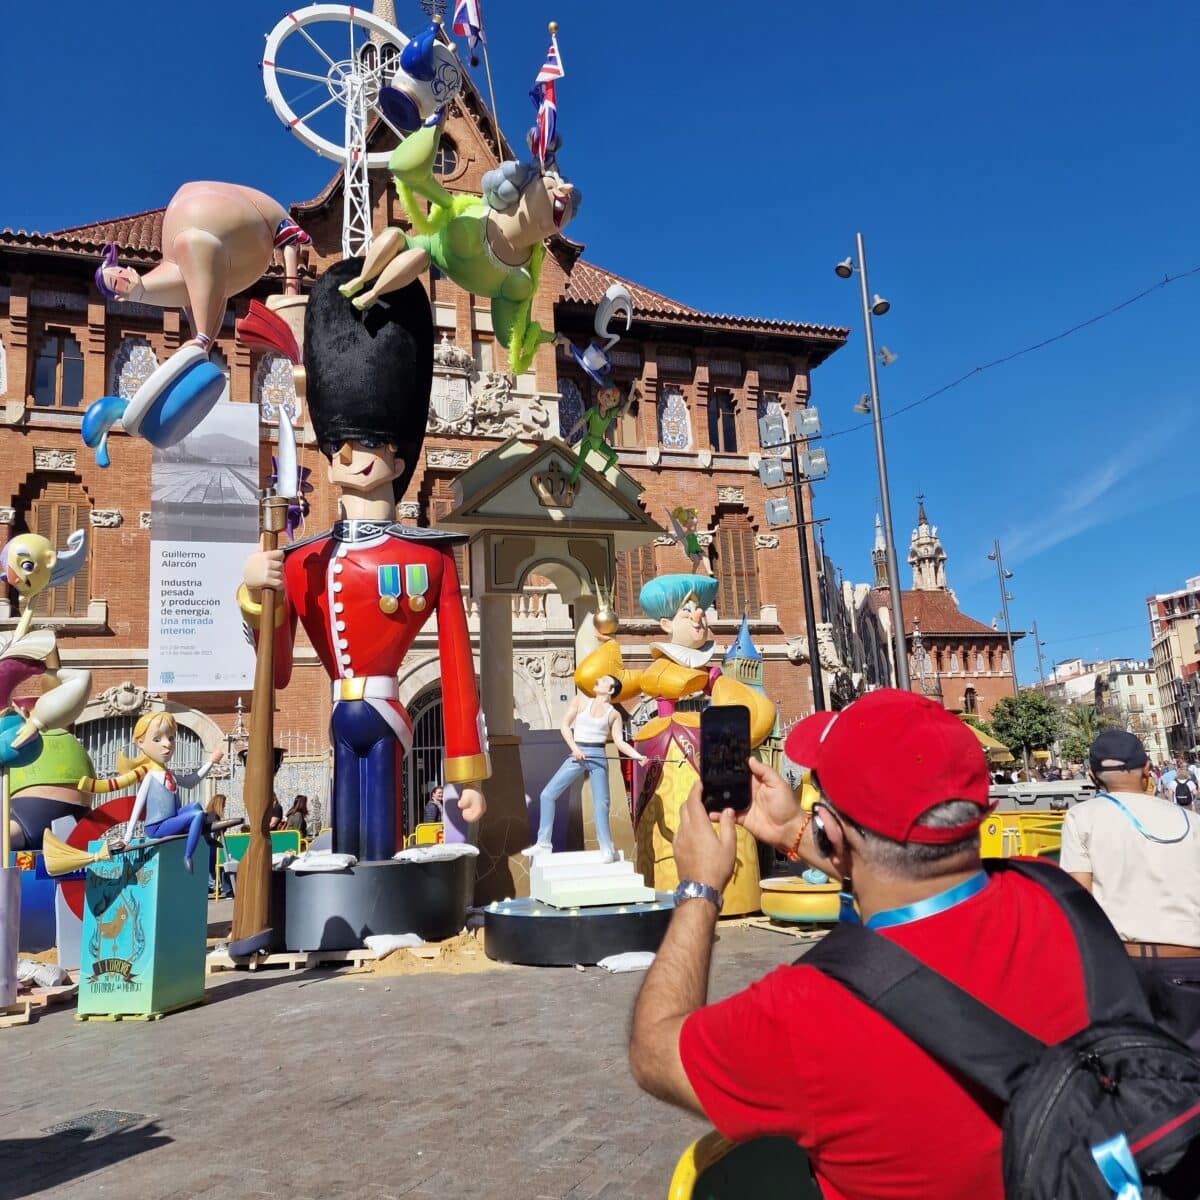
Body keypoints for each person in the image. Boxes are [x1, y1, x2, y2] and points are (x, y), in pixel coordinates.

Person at [628, 689, 1097, 1200]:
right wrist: (793, 831)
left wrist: (700, 889)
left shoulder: (808, 1012)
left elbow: (655, 1052)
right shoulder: (1059, 899)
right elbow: (919, 872)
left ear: (830, 822)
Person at [1059, 728, 1200, 1050]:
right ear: (1148, 769)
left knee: (1134, 1069)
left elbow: (1080, 898)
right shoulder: (1190, 820)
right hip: (1189, 961)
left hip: (1123, 964)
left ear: (1093, 775)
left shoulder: (1082, 817)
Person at [79, 713, 225, 874]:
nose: (167, 744)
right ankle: (188, 856)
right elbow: (138, 805)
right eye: (157, 740)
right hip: (157, 826)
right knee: (197, 814)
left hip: (172, 819)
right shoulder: (150, 776)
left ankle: (207, 838)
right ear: (141, 743)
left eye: (171, 738)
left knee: (196, 806)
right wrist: (127, 837)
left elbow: (191, 781)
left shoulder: (169, 773)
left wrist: (210, 761)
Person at [523, 674, 647, 862]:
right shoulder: (580, 700)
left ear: (611, 689)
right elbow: (564, 725)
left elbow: (620, 742)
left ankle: (607, 848)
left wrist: (638, 757)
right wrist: (574, 749)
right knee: (547, 794)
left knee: (601, 805)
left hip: (598, 755)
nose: (598, 680)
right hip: (577, 753)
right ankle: (543, 844)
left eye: (604, 680)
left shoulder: (613, 714)